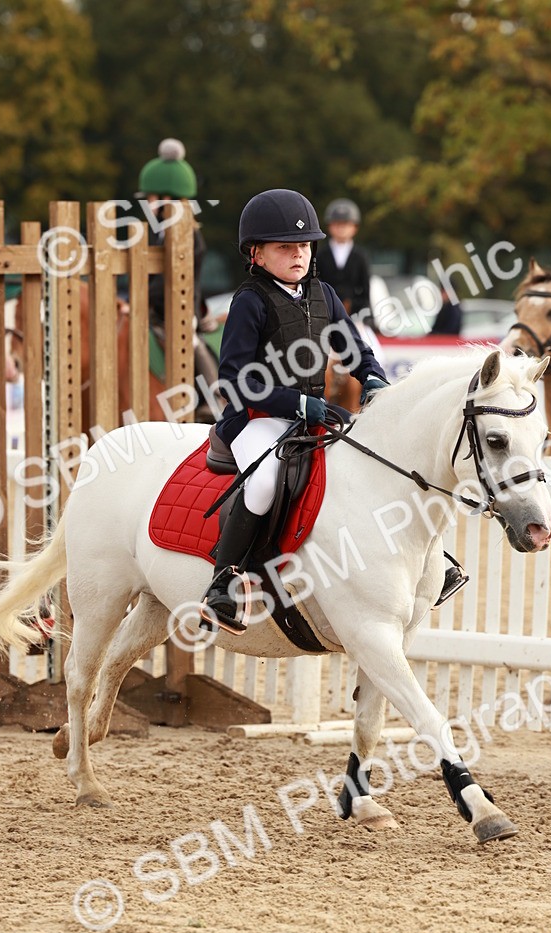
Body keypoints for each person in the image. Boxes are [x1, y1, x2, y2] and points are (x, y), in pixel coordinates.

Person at [200, 188, 388, 631]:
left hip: (310, 416)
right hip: (256, 420)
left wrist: (373, 376)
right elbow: (234, 378)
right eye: (285, 247)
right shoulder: (250, 300)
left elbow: (353, 348)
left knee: (365, 469)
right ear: (257, 254)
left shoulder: (322, 292)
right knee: (264, 482)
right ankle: (221, 585)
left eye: (303, 246)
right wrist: (297, 403)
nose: (298, 255)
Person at [135, 138, 219, 410]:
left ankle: (213, 396)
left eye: (150, 198)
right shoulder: (157, 231)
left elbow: (170, 280)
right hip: (155, 309)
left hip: (180, 305)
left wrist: (138, 297)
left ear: (165, 198)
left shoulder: (188, 235)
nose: (147, 203)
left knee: (190, 340)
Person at [316, 198, 373, 323]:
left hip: (354, 317)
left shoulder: (360, 256)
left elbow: (365, 289)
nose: (341, 228)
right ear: (329, 226)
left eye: (346, 224)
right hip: (325, 314)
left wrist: (360, 314)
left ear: (355, 227)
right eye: (337, 224)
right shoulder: (320, 254)